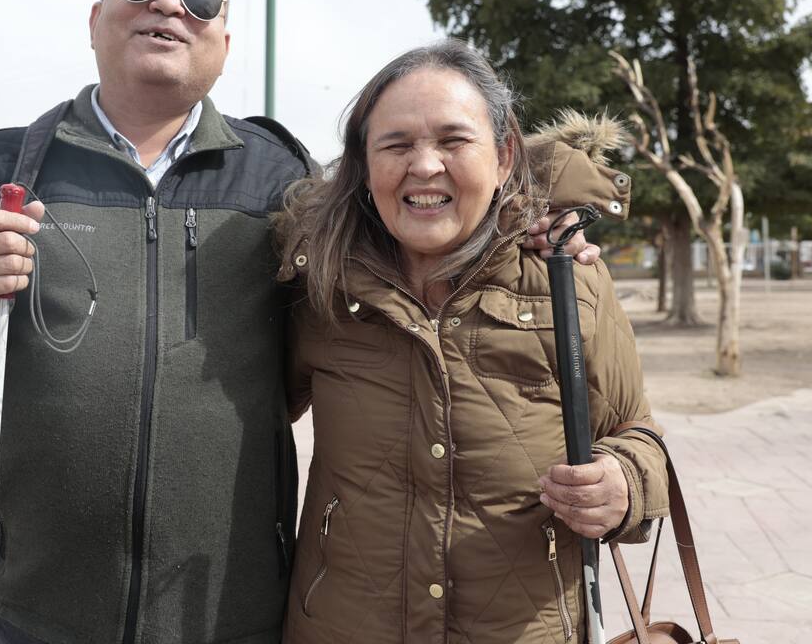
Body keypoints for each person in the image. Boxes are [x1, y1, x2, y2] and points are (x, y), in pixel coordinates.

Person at [0, 0, 606, 644]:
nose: (167, 3)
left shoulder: (279, 177)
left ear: (224, 44)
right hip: (39, 612)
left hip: (234, 611)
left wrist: (530, 226)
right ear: (96, 19)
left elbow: (409, 233)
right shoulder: (2, 166)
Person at [275, 40, 667, 644]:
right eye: (396, 144)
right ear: (364, 162)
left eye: (454, 141)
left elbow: (637, 434)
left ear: (505, 154)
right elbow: (246, 414)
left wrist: (624, 484)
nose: (425, 166)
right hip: (343, 625)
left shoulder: (568, 273)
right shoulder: (320, 282)